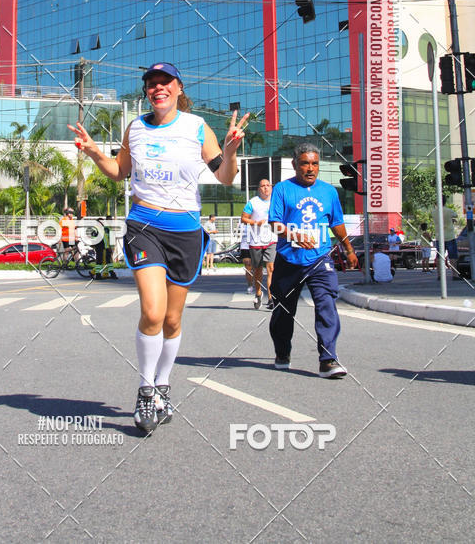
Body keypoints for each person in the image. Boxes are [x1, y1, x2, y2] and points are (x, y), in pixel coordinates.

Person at [69, 62, 247, 433]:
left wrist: (229, 151)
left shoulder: (196, 127)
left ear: (179, 87)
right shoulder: (135, 127)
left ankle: (164, 382)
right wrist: (91, 152)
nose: (157, 88)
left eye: (164, 82)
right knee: (152, 312)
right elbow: (120, 172)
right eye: (151, 84)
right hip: (144, 226)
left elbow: (225, 177)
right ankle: (146, 389)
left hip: (184, 231)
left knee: (171, 319)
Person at [268, 143, 358, 378]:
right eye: (305, 163)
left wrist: (348, 249)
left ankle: (328, 360)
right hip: (289, 260)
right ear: (295, 165)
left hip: (319, 259)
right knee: (283, 312)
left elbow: (336, 223)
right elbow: (274, 223)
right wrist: (293, 235)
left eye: (315, 163)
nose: (310, 168)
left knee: (326, 304)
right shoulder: (282, 189)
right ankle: (282, 351)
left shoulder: (329, 192)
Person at [241, 179, 275, 310]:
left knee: (271, 268)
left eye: (268, 185)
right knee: (258, 270)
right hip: (256, 240)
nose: (266, 188)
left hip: (272, 238)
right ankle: (259, 293)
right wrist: (256, 223)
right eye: (263, 186)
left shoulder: (276, 200)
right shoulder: (253, 202)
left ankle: (271, 297)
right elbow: (243, 219)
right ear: (259, 189)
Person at [434, 195, 459, 279]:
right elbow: (456, 215)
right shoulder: (449, 211)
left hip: (439, 237)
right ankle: (454, 274)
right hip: (450, 236)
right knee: (453, 256)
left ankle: (439, 275)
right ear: (445, 202)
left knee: (439, 256)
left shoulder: (434, 212)